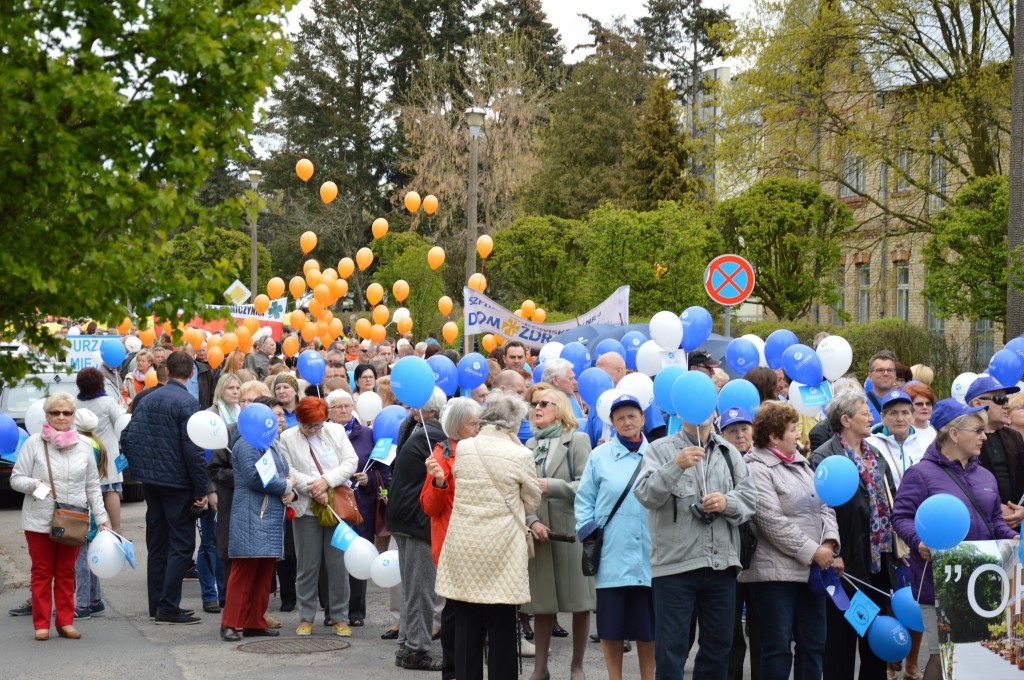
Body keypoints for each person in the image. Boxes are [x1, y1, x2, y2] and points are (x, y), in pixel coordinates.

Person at [893, 399, 1019, 680]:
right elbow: (900, 516)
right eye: (977, 430)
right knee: (943, 656)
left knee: (980, 655)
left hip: (984, 582)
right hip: (939, 583)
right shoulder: (921, 474)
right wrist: (918, 541)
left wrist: (1014, 540)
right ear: (954, 434)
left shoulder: (985, 475)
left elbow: (996, 522)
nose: (984, 436)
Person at [634, 398, 758, 680]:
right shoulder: (659, 449)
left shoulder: (728, 452)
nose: (702, 410)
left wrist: (726, 503)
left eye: (708, 405)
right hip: (675, 567)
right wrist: (675, 466)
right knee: (670, 651)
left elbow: (750, 500)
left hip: (721, 566)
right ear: (680, 411)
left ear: (714, 412)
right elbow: (645, 495)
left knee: (718, 650)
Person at [434, 390, 541, 680]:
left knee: (467, 622)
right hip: (502, 547)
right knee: (502, 624)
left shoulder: (466, 448)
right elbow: (531, 500)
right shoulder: (521, 454)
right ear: (514, 423)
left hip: (465, 544)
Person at [741, 402, 839, 680]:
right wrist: (813, 552)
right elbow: (769, 521)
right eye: (792, 429)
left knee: (814, 645)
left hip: (813, 572)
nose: (798, 435)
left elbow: (825, 505)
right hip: (775, 576)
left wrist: (829, 544)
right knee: (777, 649)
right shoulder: (756, 467)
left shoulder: (801, 463)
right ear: (773, 436)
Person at [810, 390, 897, 680]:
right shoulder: (824, 457)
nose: (871, 417)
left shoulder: (875, 454)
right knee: (840, 645)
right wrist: (833, 552)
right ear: (845, 420)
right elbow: (817, 512)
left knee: (874, 644)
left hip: (876, 566)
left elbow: (889, 501)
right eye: (865, 413)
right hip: (844, 569)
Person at [11, 392, 110, 640]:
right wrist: (36, 485)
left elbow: (92, 486)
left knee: (67, 572)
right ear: (47, 415)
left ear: (74, 416)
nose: (61, 417)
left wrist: (103, 518)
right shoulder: (34, 443)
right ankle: (42, 623)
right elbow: (16, 478)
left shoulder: (85, 445)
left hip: (72, 519)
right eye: (56, 412)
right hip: (39, 519)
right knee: (42, 572)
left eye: (67, 412)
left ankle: (65, 621)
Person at [121, 351, 208, 624]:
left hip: (153, 482)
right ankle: (168, 605)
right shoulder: (188, 403)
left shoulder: (147, 399)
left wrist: (142, 469)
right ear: (191, 374)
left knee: (158, 542)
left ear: (166, 371)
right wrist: (201, 489)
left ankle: (157, 604)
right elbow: (193, 451)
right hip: (177, 483)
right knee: (182, 545)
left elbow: (127, 436)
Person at [575, 395, 656, 680]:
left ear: (643, 419)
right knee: (610, 628)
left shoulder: (657, 453)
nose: (627, 422)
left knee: (649, 629)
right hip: (612, 552)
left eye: (632, 415)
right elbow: (584, 500)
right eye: (620, 417)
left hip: (651, 554)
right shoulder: (599, 456)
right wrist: (588, 531)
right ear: (612, 423)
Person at [524, 389, 594, 680]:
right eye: (534, 404)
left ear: (560, 408)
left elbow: (586, 486)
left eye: (544, 403)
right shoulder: (528, 444)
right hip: (541, 532)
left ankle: (576, 667)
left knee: (580, 603)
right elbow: (522, 492)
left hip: (570, 532)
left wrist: (551, 486)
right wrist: (532, 521)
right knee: (542, 604)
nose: (536, 408)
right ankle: (541, 668)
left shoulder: (578, 439)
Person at [277, 397, 359, 637]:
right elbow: (288, 469)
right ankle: (305, 616)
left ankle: (339, 617)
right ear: (299, 421)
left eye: (317, 425)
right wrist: (314, 488)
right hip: (306, 509)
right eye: (308, 426)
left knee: (337, 565)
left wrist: (327, 483)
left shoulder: (335, 431)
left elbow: (351, 461)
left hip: (336, 507)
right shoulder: (287, 437)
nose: (312, 430)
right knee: (307, 566)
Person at [219, 396, 296, 641]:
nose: (279, 420)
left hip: (268, 513)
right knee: (244, 570)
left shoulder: (269, 442)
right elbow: (256, 477)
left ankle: (254, 621)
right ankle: (230, 623)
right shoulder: (247, 443)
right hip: (252, 513)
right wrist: (286, 486)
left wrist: (289, 488)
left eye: (281, 415)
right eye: (275, 415)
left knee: (263, 571)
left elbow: (280, 472)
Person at [422, 397, 484, 680]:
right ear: (458, 426)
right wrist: (439, 482)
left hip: (476, 541)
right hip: (451, 544)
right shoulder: (442, 455)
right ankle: (453, 670)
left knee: (467, 611)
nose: (479, 428)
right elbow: (429, 507)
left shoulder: (479, 450)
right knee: (455, 611)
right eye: (474, 423)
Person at [388, 387, 448, 671]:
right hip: (418, 520)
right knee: (422, 589)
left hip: (404, 519)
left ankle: (407, 645)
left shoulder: (418, 431)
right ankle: (416, 650)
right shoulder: (435, 435)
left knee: (413, 588)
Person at [326, 389, 387, 627]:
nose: (343, 410)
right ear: (328, 411)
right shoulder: (322, 433)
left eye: (347, 406)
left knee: (358, 554)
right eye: (338, 407)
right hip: (330, 504)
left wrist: (369, 479)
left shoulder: (369, 435)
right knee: (332, 558)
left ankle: (356, 612)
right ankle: (332, 611)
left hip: (361, 505)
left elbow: (384, 471)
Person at [717, 407, 761, 680]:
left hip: (761, 557)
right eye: (733, 430)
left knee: (760, 631)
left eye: (744, 428)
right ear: (722, 435)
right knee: (730, 632)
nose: (740, 434)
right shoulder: (716, 462)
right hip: (729, 556)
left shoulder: (765, 459)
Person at [966, 374, 1024, 529]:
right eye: (999, 400)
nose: (1006, 405)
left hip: (1016, 526)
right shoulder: (963, 440)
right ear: (977, 403)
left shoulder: (1014, 437)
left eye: (1007, 399)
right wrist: (996, 508)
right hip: (980, 527)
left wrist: (1023, 511)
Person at [74, 367, 125, 533]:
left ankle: (90, 529)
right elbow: (120, 423)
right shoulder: (108, 402)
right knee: (111, 489)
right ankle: (116, 529)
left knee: (88, 491)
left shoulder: (76, 403)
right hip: (108, 453)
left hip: (83, 452)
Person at [585, 352, 666, 447]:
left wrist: (627, 445)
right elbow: (588, 445)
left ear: (619, 371)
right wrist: (603, 450)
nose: (597, 376)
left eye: (601, 372)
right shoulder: (597, 403)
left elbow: (659, 437)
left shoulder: (642, 395)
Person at [71, 409, 108, 620]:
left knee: (81, 559)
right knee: (90, 556)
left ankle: (82, 604)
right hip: (94, 507)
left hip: (84, 507)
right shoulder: (96, 443)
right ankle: (95, 600)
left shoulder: (82, 446)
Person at [864, 350, 899, 424]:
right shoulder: (861, 403)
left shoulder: (904, 400)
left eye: (890, 370)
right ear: (870, 376)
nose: (886, 374)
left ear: (895, 375)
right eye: (880, 370)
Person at [904, 382, 937, 449]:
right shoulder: (903, 433)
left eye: (928, 404)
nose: (925, 407)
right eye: (919, 404)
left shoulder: (936, 431)